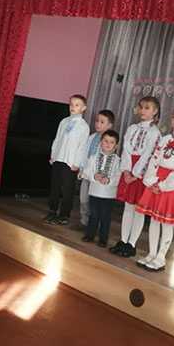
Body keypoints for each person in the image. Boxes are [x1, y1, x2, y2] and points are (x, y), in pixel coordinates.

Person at [135, 105, 174, 271]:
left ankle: (161, 257)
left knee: (166, 223)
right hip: (156, 180)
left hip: (171, 185)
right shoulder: (165, 139)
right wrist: (152, 181)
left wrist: (163, 185)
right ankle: (151, 253)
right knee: (154, 220)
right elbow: (154, 159)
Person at [111, 96, 161, 258]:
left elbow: (149, 154)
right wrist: (126, 170)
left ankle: (132, 243)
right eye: (141, 107)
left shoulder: (155, 132)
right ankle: (123, 240)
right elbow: (126, 149)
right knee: (128, 207)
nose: (143, 110)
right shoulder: (132, 128)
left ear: (155, 111)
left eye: (147, 108)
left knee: (138, 210)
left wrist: (136, 174)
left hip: (142, 172)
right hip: (129, 168)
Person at [45, 94, 89, 226]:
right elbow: (57, 139)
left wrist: (77, 163)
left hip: (70, 162)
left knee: (67, 189)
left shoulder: (83, 126)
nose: (73, 107)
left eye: (77, 105)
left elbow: (82, 146)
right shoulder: (64, 122)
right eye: (71, 104)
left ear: (83, 108)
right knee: (55, 186)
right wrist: (53, 154)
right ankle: (52, 211)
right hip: (59, 158)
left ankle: (64, 214)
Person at [81, 129, 121, 247]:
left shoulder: (118, 161)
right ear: (100, 142)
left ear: (116, 145)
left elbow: (118, 176)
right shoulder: (93, 157)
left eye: (111, 142)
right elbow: (86, 172)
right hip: (94, 192)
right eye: (105, 141)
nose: (108, 144)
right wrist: (94, 176)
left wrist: (109, 180)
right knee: (93, 214)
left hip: (109, 195)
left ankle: (103, 239)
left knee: (105, 217)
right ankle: (90, 235)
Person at [78, 110, 115, 227]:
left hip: (98, 176)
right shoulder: (92, 137)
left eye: (102, 122)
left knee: (95, 202)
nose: (98, 124)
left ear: (109, 125)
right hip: (86, 174)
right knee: (83, 199)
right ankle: (84, 221)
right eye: (97, 121)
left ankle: (93, 224)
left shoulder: (109, 141)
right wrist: (81, 168)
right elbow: (85, 154)